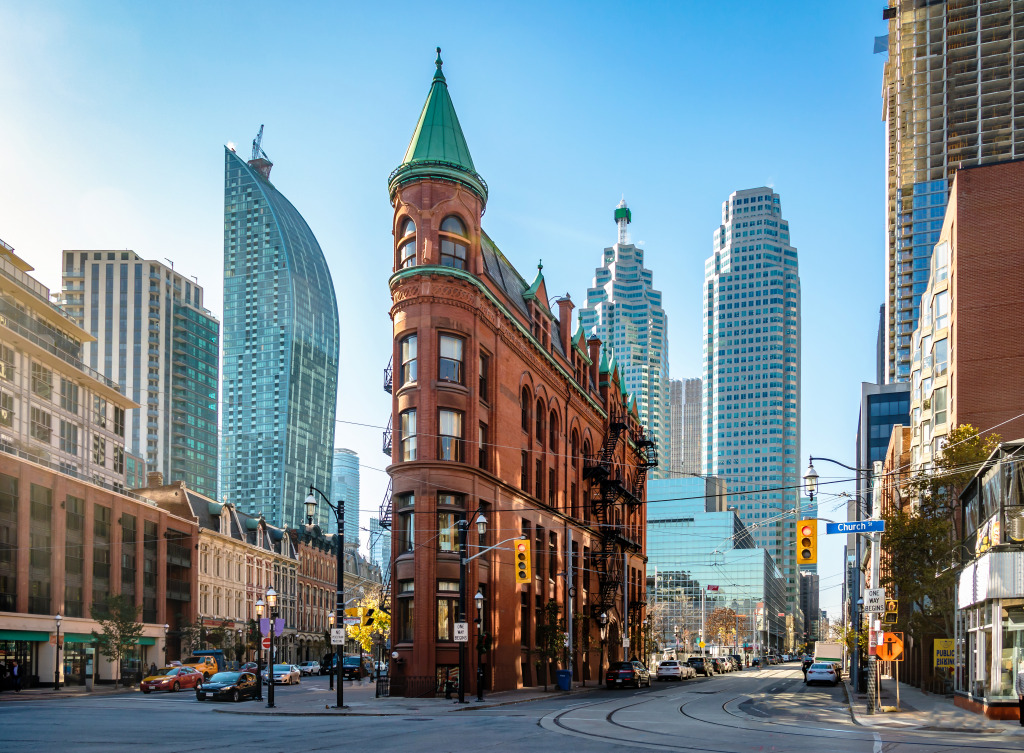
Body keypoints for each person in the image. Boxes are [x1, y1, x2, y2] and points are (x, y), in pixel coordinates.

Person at [1016, 662, 1024, 727]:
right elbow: (1017, 684)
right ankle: (1023, 722)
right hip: (1022, 695)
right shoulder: (1020, 673)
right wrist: (1019, 694)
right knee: (1022, 709)